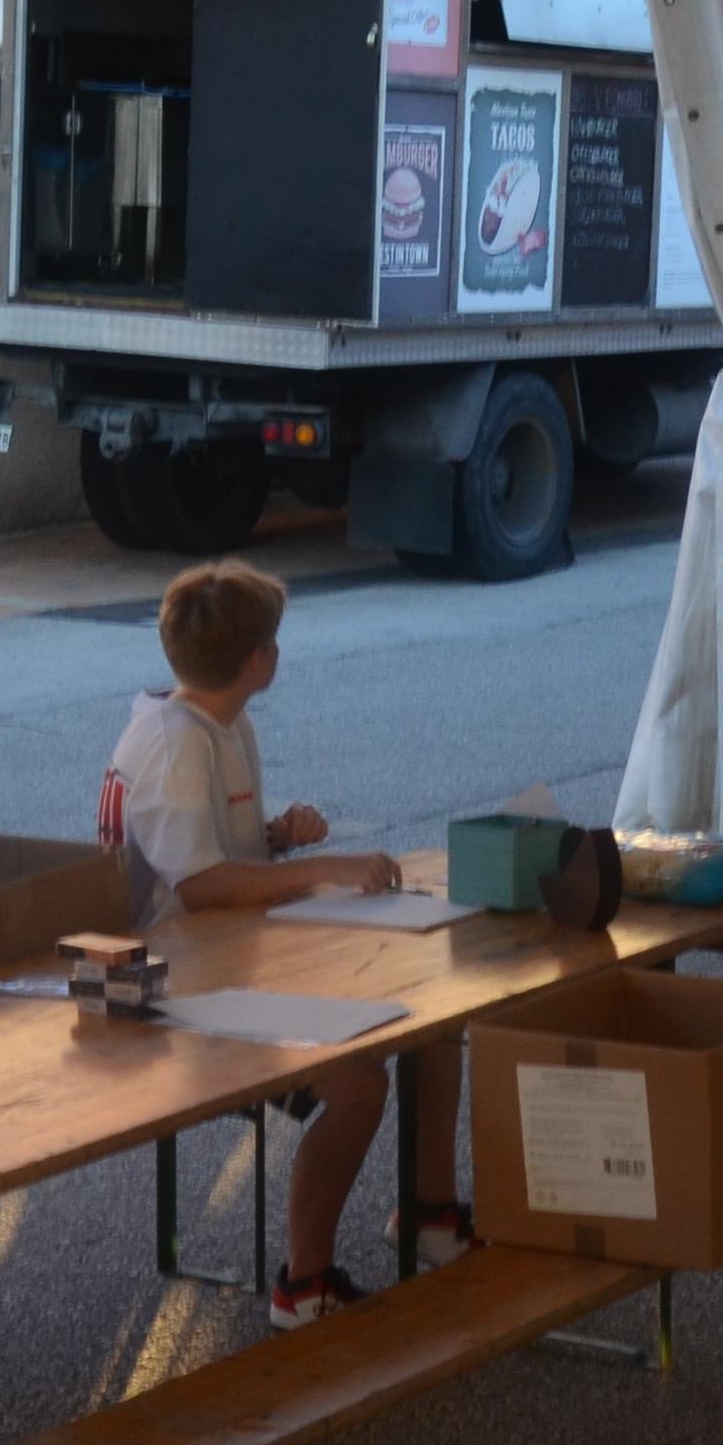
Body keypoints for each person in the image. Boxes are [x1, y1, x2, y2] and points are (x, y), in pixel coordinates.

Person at [103, 556, 461, 1326]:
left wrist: (274, 839)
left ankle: (430, 1214)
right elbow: (200, 887)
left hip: (230, 962)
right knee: (357, 1084)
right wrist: (323, 868)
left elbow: (205, 857)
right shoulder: (173, 742)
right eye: (272, 641)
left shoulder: (220, 722)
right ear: (258, 660)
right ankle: (304, 1282)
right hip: (169, 991)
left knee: (432, 1021)